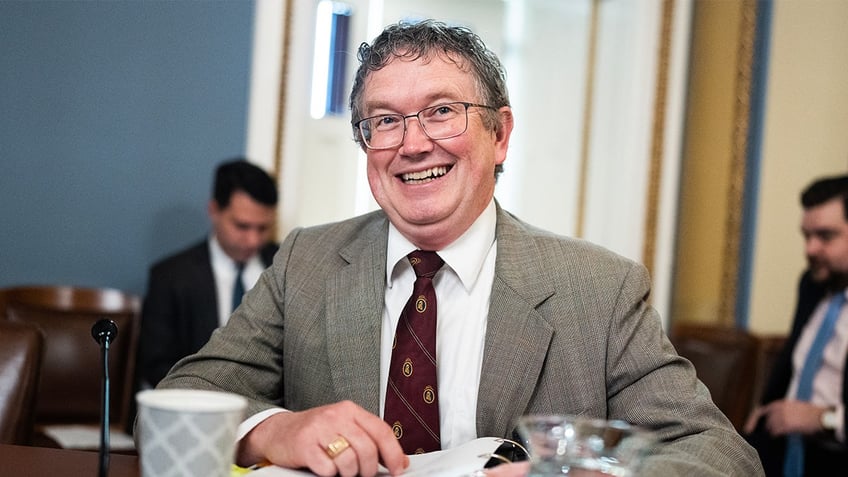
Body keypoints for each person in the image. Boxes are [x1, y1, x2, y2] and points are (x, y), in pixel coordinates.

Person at [151, 20, 763, 476]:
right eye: (385, 120)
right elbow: (181, 399)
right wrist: (276, 429)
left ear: (500, 135)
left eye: (441, 111)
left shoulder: (598, 289)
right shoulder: (305, 262)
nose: (412, 144)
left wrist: (563, 474)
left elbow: (721, 457)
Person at [135, 158, 278, 390]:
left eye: (263, 228)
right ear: (214, 211)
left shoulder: (285, 265)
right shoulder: (170, 277)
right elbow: (156, 365)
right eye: (242, 226)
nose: (253, 240)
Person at [744, 174, 848, 476]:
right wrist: (765, 407)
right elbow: (794, 362)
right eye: (806, 236)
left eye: (825, 236)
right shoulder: (813, 285)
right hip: (781, 445)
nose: (810, 249)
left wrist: (823, 419)